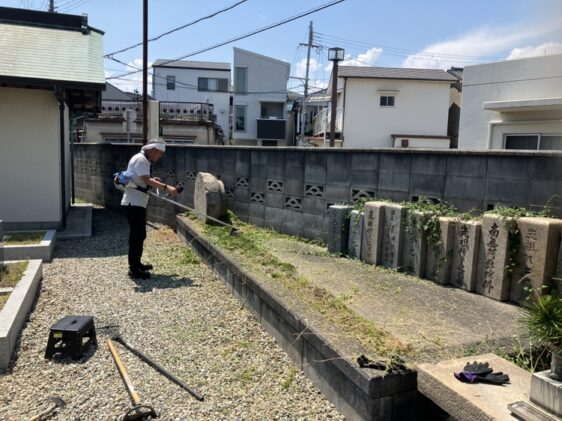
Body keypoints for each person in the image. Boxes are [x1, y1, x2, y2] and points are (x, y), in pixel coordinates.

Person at [121, 139, 178, 279]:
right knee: (136, 236)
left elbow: (142, 180)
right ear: (153, 150)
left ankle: (137, 264)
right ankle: (134, 269)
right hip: (133, 204)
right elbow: (146, 180)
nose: (160, 157)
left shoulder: (142, 160)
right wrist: (166, 187)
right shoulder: (140, 159)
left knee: (140, 235)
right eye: (160, 153)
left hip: (136, 203)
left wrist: (154, 180)